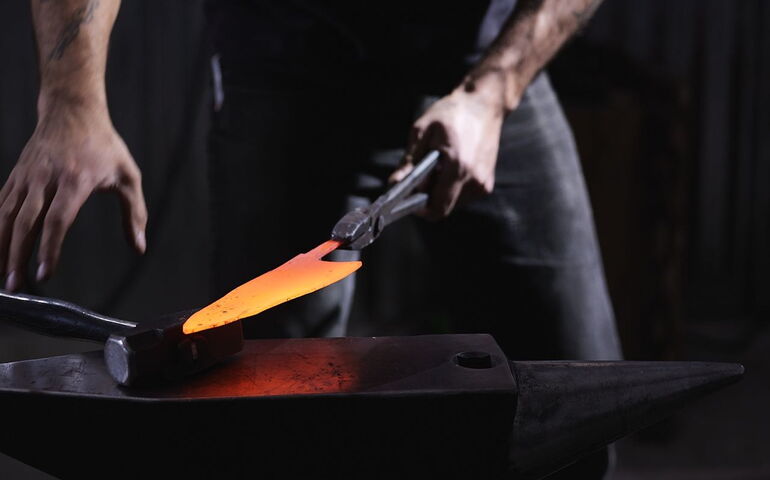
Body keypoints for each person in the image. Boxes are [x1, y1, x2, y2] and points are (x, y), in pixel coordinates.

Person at [7, 0, 621, 474]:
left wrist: (494, 91)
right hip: (282, 62)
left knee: (582, 396)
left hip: (479, 62)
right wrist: (70, 100)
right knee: (269, 412)